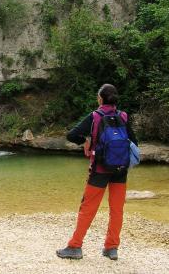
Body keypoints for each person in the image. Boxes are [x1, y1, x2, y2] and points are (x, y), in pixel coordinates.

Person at [56, 84, 138, 261]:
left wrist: (86, 140)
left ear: (100, 99)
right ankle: (111, 248)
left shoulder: (95, 116)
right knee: (116, 210)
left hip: (100, 169)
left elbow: (71, 135)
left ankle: (75, 246)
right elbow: (134, 143)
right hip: (120, 171)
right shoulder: (123, 116)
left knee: (88, 208)